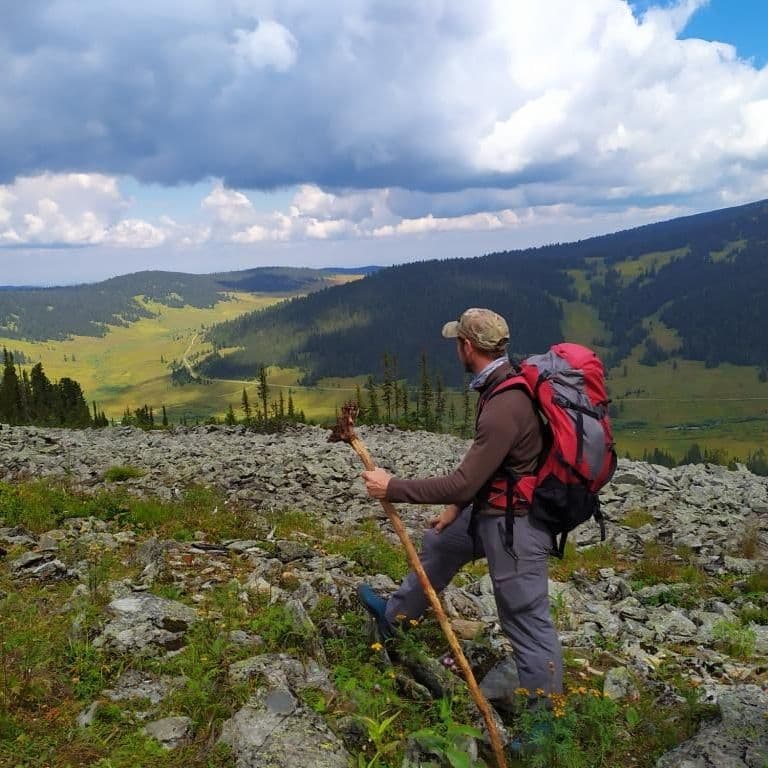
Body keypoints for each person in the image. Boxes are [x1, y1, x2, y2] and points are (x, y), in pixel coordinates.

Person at [358, 307, 563, 699]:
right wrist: (457, 509)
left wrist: (393, 486)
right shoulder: (503, 384)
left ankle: (546, 723)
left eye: (457, 342)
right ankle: (396, 618)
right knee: (443, 541)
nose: (457, 349)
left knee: (525, 617)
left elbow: (463, 481)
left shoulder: (504, 405)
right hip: (494, 510)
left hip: (516, 524)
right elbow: (489, 469)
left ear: (466, 346)